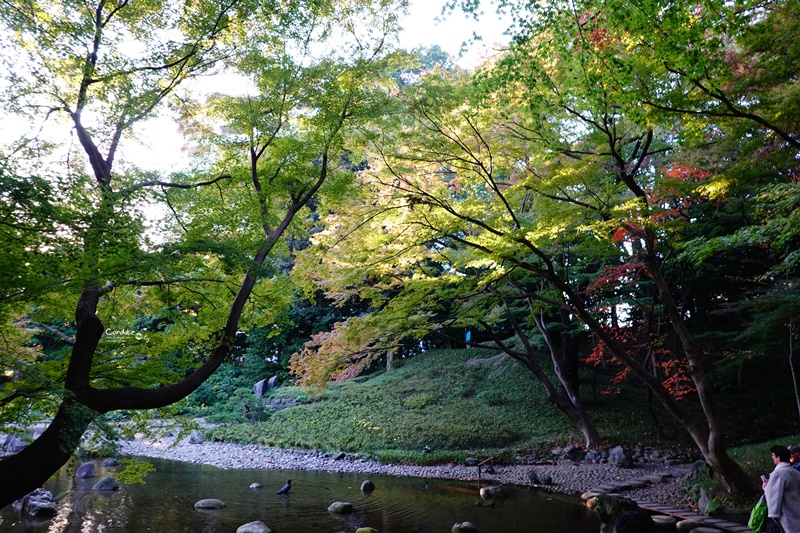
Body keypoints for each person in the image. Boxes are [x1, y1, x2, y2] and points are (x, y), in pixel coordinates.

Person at [762, 445, 800, 533]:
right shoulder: (795, 472)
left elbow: (773, 495)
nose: (772, 458)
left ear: (778, 458)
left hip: (786, 514)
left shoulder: (778, 473)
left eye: (773, 455)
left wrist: (765, 488)